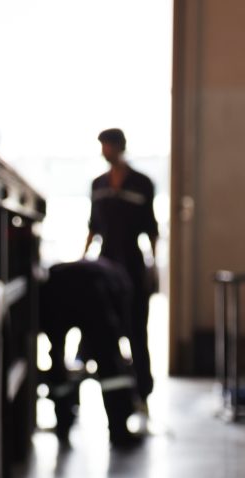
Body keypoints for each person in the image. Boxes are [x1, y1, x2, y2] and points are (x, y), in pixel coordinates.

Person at [84, 128, 159, 410]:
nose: (104, 151)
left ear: (118, 147)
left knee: (137, 328)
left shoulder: (142, 183)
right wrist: (83, 261)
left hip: (132, 264)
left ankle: (143, 391)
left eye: (107, 146)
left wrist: (152, 267)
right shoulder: (98, 184)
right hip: (105, 264)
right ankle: (115, 394)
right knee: (104, 328)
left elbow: (151, 229)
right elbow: (93, 227)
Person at [39, 258, 141, 448]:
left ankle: (63, 424)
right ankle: (119, 430)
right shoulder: (120, 284)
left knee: (57, 357)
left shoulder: (106, 273)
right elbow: (121, 331)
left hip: (56, 291)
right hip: (94, 293)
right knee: (109, 363)